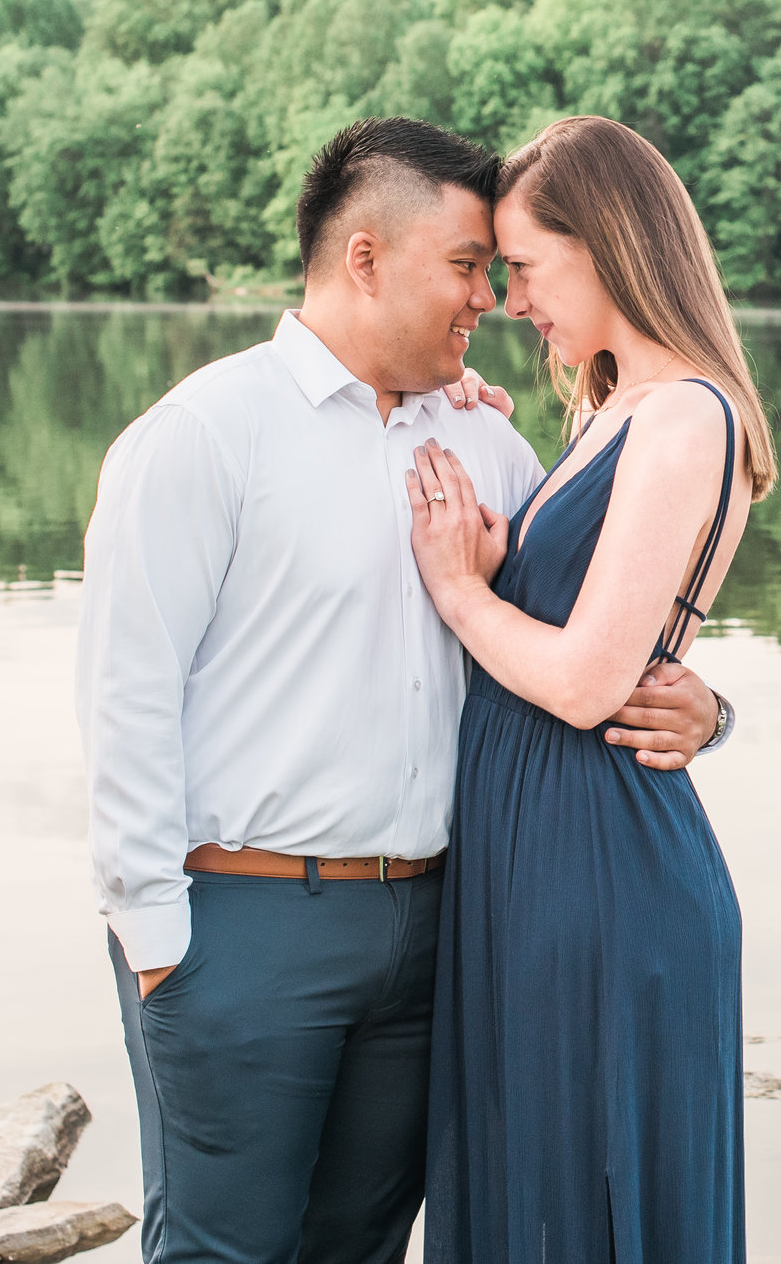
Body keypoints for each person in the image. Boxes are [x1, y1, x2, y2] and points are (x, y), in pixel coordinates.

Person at [74, 117, 738, 1264]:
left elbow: (586, 629)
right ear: (365, 256)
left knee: (364, 1247)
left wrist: (713, 711)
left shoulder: (490, 447)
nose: (489, 297)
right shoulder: (203, 434)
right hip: (246, 919)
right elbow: (126, 698)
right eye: (468, 266)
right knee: (221, 1252)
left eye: (502, 268)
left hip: (443, 925)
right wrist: (157, 942)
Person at [407, 115, 776, 1264]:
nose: (513, 301)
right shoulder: (609, 412)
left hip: (601, 871)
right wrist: (453, 420)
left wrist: (461, 592)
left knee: (590, 1194)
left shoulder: (684, 416)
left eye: (524, 267)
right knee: (536, 1183)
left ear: (608, 244)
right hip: (539, 854)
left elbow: (580, 679)